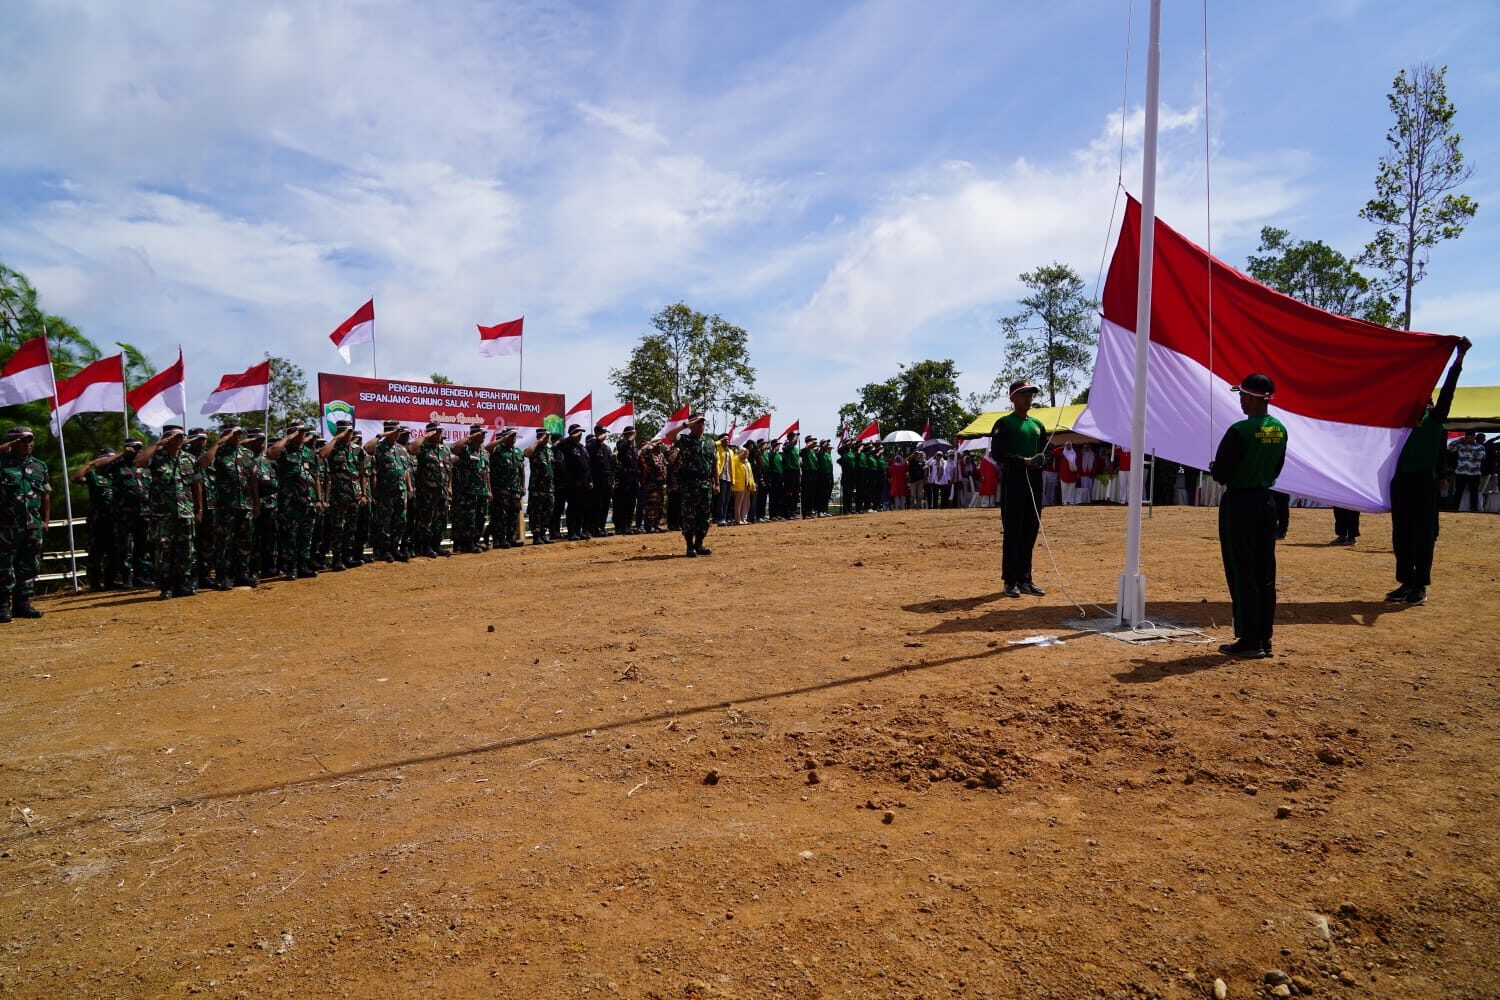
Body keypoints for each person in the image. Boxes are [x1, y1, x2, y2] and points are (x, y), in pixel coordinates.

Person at [1209, 374, 1287, 659]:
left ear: (1253, 398)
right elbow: (1277, 468)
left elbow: (1222, 473)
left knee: (1242, 571)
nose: (1240, 400)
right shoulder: (1279, 429)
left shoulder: (1239, 430)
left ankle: (1249, 638)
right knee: (1265, 572)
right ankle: (1264, 638)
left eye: (1243, 395)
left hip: (1240, 502)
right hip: (1266, 502)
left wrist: (1216, 466)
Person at [1388, 338, 1469, 605]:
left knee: (1422, 534)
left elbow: (1448, 391)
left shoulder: (1435, 420)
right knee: (1401, 533)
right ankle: (1406, 582)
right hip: (1400, 481)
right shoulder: (1401, 421)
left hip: (1423, 482)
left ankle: (1420, 585)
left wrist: (1458, 360)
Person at [990, 381, 1047, 598]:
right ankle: (1010, 580)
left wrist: (1043, 460)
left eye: (1030, 395)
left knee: (1030, 530)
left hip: (1034, 481)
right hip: (1014, 480)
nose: (1028, 398)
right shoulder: (1004, 423)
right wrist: (1024, 461)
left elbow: (1047, 450)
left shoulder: (1038, 425)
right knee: (1013, 530)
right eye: (1023, 395)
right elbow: (998, 453)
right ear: (1013, 398)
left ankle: (1025, 579)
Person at [138, 424, 201, 599]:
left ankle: (182, 583)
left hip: (185, 511)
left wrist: (199, 508)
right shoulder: (157, 457)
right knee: (163, 550)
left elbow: (196, 484)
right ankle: (166, 586)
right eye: (175, 437)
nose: (179, 440)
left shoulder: (190, 459)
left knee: (186, 549)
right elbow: (139, 462)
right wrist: (158, 444)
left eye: (181, 436)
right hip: (162, 513)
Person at [0, 427, 48, 620]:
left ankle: (23, 604)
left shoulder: (39, 466)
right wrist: (10, 445)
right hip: (6, 526)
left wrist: (45, 520)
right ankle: (3, 606)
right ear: (13, 442)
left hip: (32, 525)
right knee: (4, 566)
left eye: (30, 440)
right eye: (23, 441)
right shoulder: (2, 464)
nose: (28, 444)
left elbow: (45, 495)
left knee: (29, 565)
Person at [203, 425, 258, 588]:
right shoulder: (218, 452)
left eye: (239, 434)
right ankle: (223, 576)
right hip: (225, 506)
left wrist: (256, 503)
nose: (238, 437)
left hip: (245, 504)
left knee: (245, 541)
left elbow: (253, 478)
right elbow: (204, 463)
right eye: (234, 434)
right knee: (224, 542)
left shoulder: (247, 454)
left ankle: (242, 574)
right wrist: (219, 443)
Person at [319, 420, 365, 570]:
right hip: (338, 496)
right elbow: (322, 454)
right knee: (337, 528)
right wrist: (336, 438)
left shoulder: (357, 450)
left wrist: (363, 493)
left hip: (354, 495)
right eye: (342, 431)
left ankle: (347, 557)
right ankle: (337, 559)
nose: (346, 434)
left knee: (351, 528)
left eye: (347, 432)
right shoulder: (332, 448)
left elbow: (362, 473)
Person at [74, 447, 118, 591]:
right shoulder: (93, 475)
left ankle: (111, 581)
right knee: (95, 554)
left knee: (115, 552)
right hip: (98, 521)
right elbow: (76, 478)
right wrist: (91, 463)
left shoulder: (117, 474)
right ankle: (94, 584)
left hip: (116, 520)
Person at [676, 413, 716, 556]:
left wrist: (716, 483)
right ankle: (689, 546)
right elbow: (668, 436)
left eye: (702, 423)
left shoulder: (710, 442)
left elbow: (714, 463)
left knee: (704, 517)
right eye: (698, 423)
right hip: (690, 484)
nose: (701, 425)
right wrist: (686, 425)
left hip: (706, 483)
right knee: (689, 516)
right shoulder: (685, 439)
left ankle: (699, 545)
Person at [411, 422, 453, 557]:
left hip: (443, 491)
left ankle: (436, 545)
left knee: (441, 520)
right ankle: (425, 546)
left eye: (440, 432)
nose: (439, 434)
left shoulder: (444, 449)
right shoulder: (423, 448)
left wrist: (450, 486)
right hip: (427, 491)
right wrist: (426, 435)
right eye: (437, 432)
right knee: (426, 520)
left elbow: (449, 469)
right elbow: (412, 449)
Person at [451, 424, 491, 553]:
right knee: (469, 519)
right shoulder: (466, 449)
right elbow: (453, 448)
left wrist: (489, 490)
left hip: (482, 491)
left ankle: (475, 541)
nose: (484, 437)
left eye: (484, 434)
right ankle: (468, 543)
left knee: (481, 517)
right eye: (481, 434)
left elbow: (486, 472)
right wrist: (470, 437)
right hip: (469, 491)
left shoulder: (484, 452)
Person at [486, 426, 525, 548]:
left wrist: (523, 486)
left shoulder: (518, 452)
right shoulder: (497, 450)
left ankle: (510, 538)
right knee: (500, 516)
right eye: (511, 436)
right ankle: (499, 540)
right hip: (500, 489)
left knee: (513, 515)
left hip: (514, 489)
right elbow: (487, 449)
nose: (513, 439)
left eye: (514, 437)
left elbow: (521, 470)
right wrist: (501, 440)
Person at [560, 424, 593, 541]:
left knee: (582, 508)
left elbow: (587, 466)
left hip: (584, 482)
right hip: (573, 482)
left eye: (581, 432)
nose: (580, 435)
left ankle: (579, 531)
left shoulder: (582, 447)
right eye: (577, 432)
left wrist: (590, 480)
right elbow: (559, 445)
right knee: (573, 508)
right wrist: (570, 436)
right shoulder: (567, 445)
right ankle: (572, 532)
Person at [525, 429, 555, 545]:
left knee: (548, 511)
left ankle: (543, 534)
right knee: (536, 512)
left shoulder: (549, 451)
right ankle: (536, 536)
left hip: (549, 488)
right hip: (537, 487)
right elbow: (527, 453)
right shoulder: (534, 449)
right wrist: (539, 441)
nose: (547, 438)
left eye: (548, 437)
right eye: (545, 437)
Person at [587, 424, 615, 536]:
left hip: (607, 479)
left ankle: (602, 527)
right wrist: (598, 440)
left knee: (605, 505)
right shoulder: (592, 445)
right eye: (603, 432)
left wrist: (612, 479)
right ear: (597, 433)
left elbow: (610, 465)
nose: (605, 434)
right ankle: (594, 528)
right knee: (596, 505)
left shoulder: (606, 448)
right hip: (597, 479)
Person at [612, 426, 640, 535]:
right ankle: (622, 527)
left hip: (633, 479)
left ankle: (628, 525)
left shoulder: (633, 449)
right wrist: (629, 440)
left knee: (631, 504)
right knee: (623, 504)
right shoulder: (621, 444)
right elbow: (621, 448)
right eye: (632, 434)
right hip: (624, 479)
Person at [1449, 430, 1485, 512]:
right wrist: (1459, 440)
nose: (1469, 439)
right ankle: (1455, 508)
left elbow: (1482, 457)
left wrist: (1471, 451)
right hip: (1461, 473)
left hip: (1474, 474)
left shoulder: (1480, 447)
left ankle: (1473, 508)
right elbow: (1449, 448)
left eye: (1470, 437)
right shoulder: (1460, 446)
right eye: (1467, 437)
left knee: (1474, 492)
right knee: (1458, 491)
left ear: (1474, 437)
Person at [639, 439, 668, 532]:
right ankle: (649, 526)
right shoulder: (649, 454)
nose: (660, 445)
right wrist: (651, 444)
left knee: (659, 505)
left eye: (660, 444)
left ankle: (656, 524)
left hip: (661, 484)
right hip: (652, 484)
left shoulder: (661, 455)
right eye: (658, 444)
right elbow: (642, 452)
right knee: (651, 506)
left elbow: (664, 467)